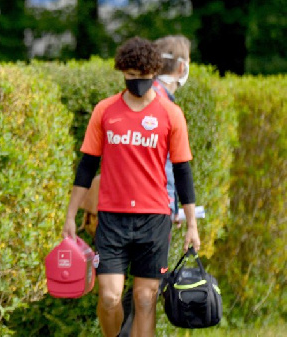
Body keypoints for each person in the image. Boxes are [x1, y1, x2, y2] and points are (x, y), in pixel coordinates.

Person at [62, 36, 200, 337]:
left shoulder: (171, 114)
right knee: (110, 297)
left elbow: (183, 171)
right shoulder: (105, 111)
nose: (137, 82)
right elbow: (86, 167)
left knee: (145, 298)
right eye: (130, 76)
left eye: (143, 76)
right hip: (112, 217)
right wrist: (71, 214)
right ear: (123, 72)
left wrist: (191, 224)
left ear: (154, 72)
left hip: (155, 218)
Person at [118, 34, 193, 337]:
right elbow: (163, 164)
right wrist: (172, 205)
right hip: (152, 211)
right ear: (181, 67)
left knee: (143, 286)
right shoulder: (159, 101)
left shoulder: (150, 97)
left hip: (139, 208)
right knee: (147, 286)